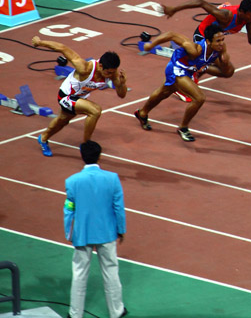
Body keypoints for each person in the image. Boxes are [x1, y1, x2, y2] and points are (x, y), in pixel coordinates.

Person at [31, 37, 127, 157]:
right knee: (95, 111)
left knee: (62, 121)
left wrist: (122, 84)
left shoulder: (113, 73)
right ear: (100, 65)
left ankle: (43, 138)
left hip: (79, 98)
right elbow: (62, 48)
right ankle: (86, 145)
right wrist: (40, 42)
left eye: (113, 72)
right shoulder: (85, 68)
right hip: (66, 96)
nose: (111, 75)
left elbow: (122, 95)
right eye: (108, 72)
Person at [64, 140, 128, 318]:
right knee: (111, 271)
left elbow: (69, 209)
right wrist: (121, 229)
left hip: (82, 234)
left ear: (82, 156)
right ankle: (116, 311)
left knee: (79, 273)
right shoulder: (112, 178)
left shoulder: (72, 182)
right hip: (106, 233)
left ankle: (75, 313)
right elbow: (118, 207)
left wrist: (69, 233)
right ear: (100, 156)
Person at [134, 25, 229, 142]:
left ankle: (142, 113)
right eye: (218, 41)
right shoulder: (195, 49)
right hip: (176, 68)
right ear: (208, 41)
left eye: (223, 39)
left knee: (164, 93)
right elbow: (172, 35)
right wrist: (150, 45)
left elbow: (226, 69)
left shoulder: (220, 49)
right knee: (199, 98)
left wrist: (225, 62)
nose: (221, 43)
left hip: (188, 70)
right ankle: (183, 128)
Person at [160, 0, 251, 101]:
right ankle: (178, 85)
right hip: (202, 36)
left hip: (215, 42)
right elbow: (200, 2)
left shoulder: (248, 19)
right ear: (242, 11)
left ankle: (200, 69)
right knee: (199, 57)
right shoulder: (226, 15)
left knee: (228, 71)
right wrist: (174, 9)